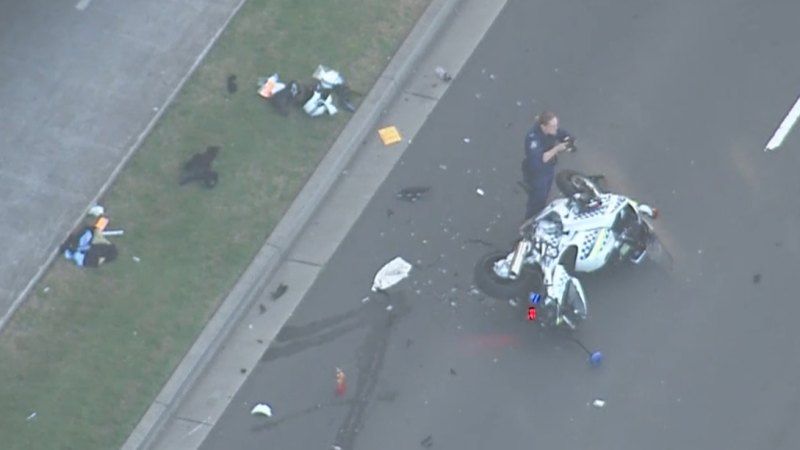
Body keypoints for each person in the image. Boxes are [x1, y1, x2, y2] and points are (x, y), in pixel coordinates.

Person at [520, 111, 575, 225]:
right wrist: (557, 149)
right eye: (553, 126)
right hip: (536, 172)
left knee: (545, 194)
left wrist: (568, 139)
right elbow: (542, 158)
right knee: (537, 198)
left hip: (548, 169)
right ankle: (529, 222)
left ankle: (540, 215)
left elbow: (560, 133)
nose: (556, 128)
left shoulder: (550, 131)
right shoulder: (533, 139)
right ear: (543, 127)